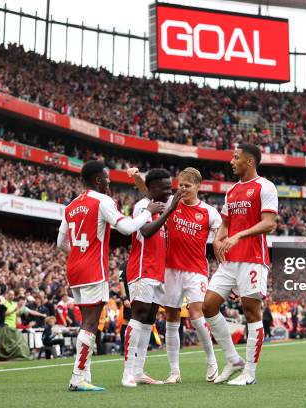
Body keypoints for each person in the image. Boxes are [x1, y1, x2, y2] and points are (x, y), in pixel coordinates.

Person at [56, 160, 163, 392]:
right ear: (98, 180)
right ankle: (77, 378)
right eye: (107, 178)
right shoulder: (103, 200)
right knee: (91, 323)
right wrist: (148, 212)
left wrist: (78, 253)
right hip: (93, 269)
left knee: (86, 321)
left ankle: (83, 374)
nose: (109, 182)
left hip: (74, 269)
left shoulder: (71, 205)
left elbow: (60, 242)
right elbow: (127, 228)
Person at [129, 166, 221, 383]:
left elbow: (221, 234)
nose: (183, 189)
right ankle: (174, 371)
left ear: (198, 187)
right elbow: (149, 192)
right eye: (180, 185)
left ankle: (211, 361)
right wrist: (136, 178)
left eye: (187, 186)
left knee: (197, 314)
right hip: (170, 268)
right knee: (171, 317)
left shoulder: (210, 212)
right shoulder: (171, 203)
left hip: (196, 270)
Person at [202, 143, 278, 386]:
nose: (231, 161)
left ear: (250, 161)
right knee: (208, 306)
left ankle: (250, 373)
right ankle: (233, 359)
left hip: (253, 259)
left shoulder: (265, 187)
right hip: (230, 260)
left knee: (251, 311)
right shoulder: (232, 190)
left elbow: (269, 224)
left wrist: (238, 236)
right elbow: (225, 222)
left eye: (236, 158)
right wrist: (218, 238)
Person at [121, 168, 181, 388]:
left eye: (170, 187)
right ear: (153, 188)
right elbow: (145, 231)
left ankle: (138, 371)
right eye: (165, 188)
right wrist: (167, 211)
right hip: (141, 269)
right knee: (138, 317)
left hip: (158, 272)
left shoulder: (161, 206)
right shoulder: (142, 207)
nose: (169, 191)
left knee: (148, 320)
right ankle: (127, 372)